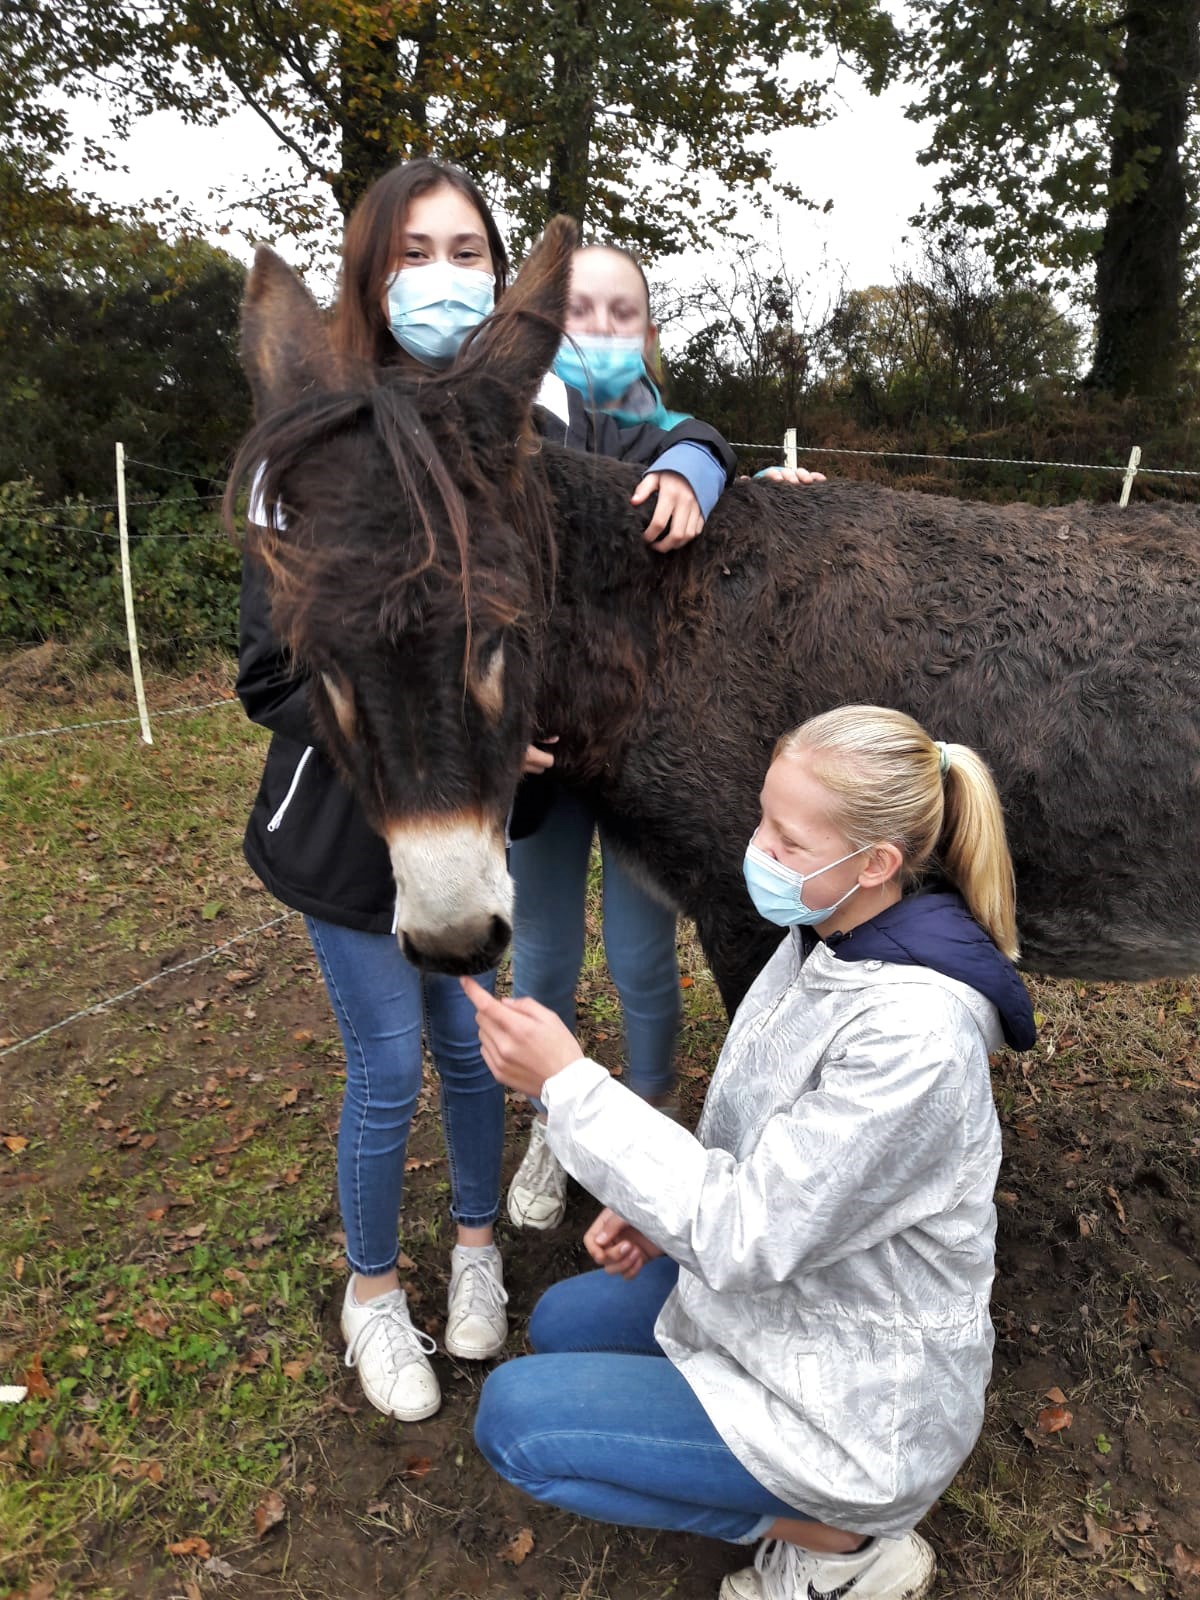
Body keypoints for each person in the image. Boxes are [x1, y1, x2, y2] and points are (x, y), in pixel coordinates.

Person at [236, 158, 743, 1424]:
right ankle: (369, 1292)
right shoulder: (309, 445)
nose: (447, 277)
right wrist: (426, 735)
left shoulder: (515, 420)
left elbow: (652, 435)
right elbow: (269, 672)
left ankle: (471, 1250)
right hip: (357, 836)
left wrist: (715, 465)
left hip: (470, 823)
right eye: (418, 251)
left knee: (472, 1052)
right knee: (387, 1065)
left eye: (473, 250)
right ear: (368, 270)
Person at [463, 705, 1036, 1600]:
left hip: (860, 1398)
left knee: (517, 1426)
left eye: (789, 838)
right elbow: (755, 1141)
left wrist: (570, 1085)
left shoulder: (915, 1036)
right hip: (799, 1298)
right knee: (563, 1324)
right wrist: (655, 1211)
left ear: (877, 862)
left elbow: (747, 1230)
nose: (759, 850)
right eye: (761, 820)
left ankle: (846, 1543)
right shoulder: (825, 938)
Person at [505, 241, 825, 1235]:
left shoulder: (666, 439)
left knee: (646, 958)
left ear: (646, 332)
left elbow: (703, 442)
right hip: (545, 772)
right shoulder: (500, 445)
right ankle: (548, 1121)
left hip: (649, 764)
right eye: (578, 314)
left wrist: (722, 473)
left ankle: (650, 1103)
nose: (598, 332)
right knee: (546, 953)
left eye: (621, 315)